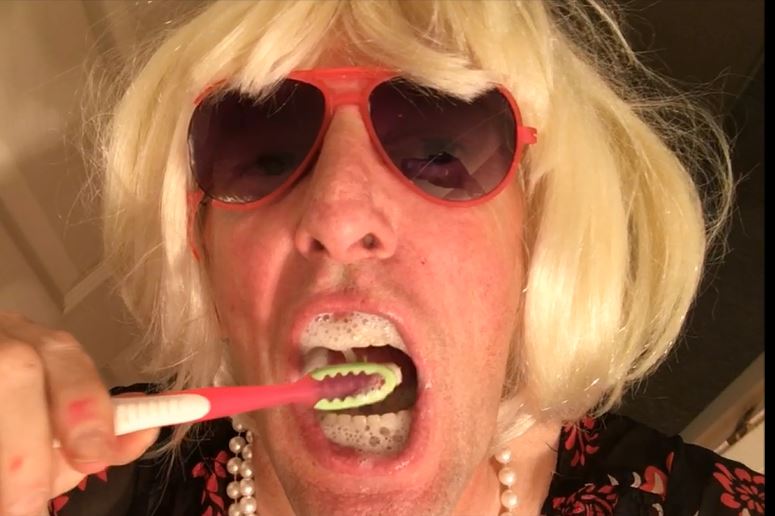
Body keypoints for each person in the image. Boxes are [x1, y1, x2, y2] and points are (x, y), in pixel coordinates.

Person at [0, 1, 763, 515]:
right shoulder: (69, 473)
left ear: (537, 236)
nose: (338, 215)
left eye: (439, 153)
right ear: (202, 249)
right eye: (264, 157)